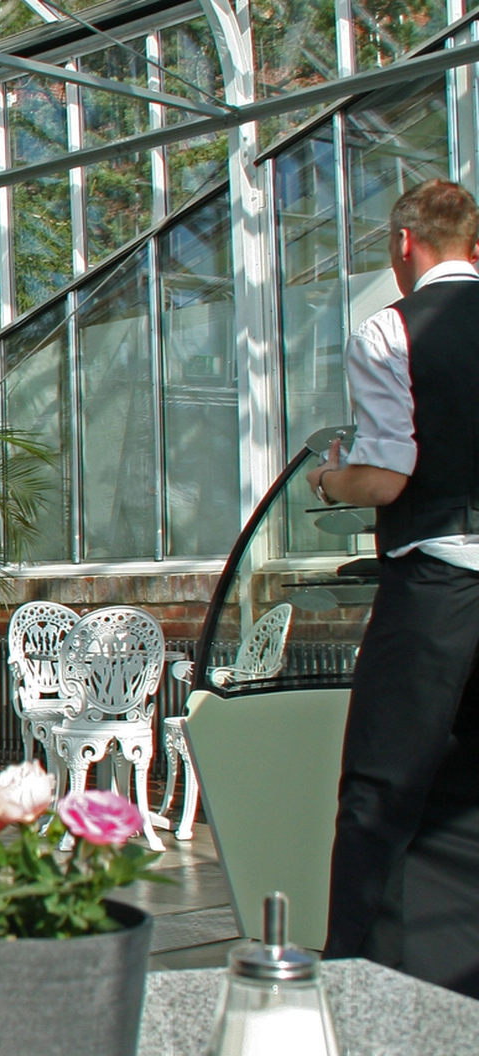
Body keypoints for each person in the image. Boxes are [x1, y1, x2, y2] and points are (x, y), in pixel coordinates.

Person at [307, 178, 479, 996]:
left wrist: (332, 480)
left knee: (385, 787)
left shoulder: (391, 329)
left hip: (441, 585)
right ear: (473, 246)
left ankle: (366, 986)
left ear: (405, 245)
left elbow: (387, 475)